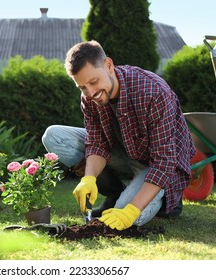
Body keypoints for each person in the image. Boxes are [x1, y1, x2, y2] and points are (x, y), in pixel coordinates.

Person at [42, 40, 195, 230]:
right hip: (124, 152)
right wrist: (88, 178)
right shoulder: (89, 97)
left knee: (128, 215)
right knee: (53, 136)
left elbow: (164, 162)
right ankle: (115, 193)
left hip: (157, 163)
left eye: (93, 82)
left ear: (108, 65)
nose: (90, 93)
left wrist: (131, 210)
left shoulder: (153, 92)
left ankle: (166, 200)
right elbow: (96, 142)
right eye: (82, 87)